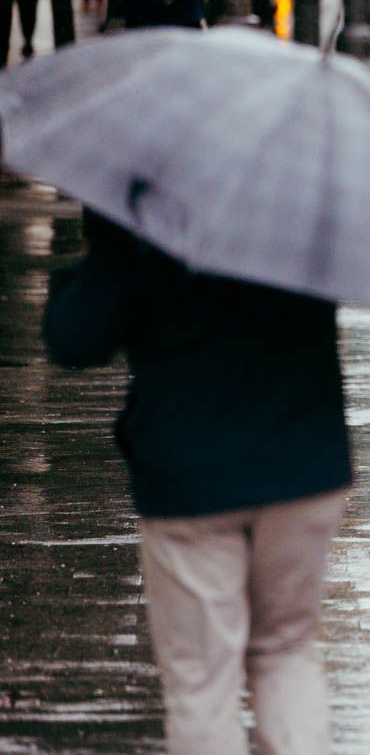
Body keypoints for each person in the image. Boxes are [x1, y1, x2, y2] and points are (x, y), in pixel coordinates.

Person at [44, 215, 351, 755]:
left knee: (202, 686)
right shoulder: (310, 197)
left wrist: (103, 250)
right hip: (303, 465)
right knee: (286, 653)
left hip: (192, 473)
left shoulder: (151, 204)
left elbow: (75, 336)